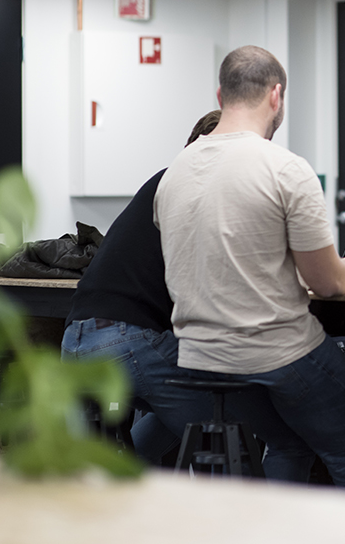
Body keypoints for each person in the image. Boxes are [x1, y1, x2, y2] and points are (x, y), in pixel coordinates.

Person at [154, 45, 345, 491]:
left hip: (201, 358)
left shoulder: (175, 172)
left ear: (220, 95)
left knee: (291, 441)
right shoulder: (284, 168)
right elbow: (326, 281)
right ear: (276, 96)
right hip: (277, 353)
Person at [61, 110, 221, 463]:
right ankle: (233, 513)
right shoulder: (199, 192)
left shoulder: (160, 182)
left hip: (74, 340)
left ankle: (130, 477)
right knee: (228, 423)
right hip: (128, 342)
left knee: (177, 406)